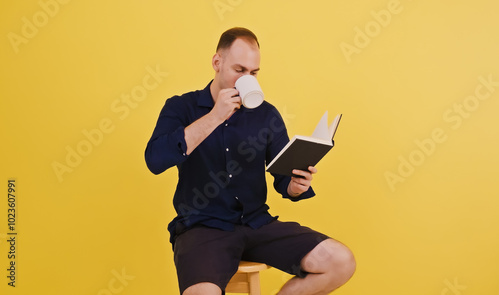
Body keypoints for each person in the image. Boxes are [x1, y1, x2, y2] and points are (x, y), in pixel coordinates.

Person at [145, 27, 355, 295]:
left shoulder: (266, 115)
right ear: (217, 63)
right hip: (202, 227)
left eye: (253, 73)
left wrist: (294, 185)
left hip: (257, 224)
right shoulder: (180, 107)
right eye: (239, 70)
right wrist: (214, 117)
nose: (247, 79)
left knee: (341, 261)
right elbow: (155, 160)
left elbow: (283, 177)